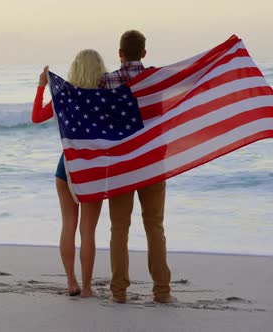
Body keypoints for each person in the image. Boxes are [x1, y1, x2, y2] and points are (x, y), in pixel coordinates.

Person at [98, 30, 173, 304]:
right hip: (152, 160)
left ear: (119, 53)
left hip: (120, 162)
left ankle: (119, 292)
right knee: (154, 225)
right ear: (144, 53)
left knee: (119, 228)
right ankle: (162, 292)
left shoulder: (106, 81)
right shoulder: (156, 78)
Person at [31, 50, 107, 298]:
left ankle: (71, 282)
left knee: (68, 226)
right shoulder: (105, 98)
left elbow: (36, 117)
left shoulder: (63, 97)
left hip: (66, 168)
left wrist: (42, 86)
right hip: (93, 169)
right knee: (88, 231)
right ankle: (86, 288)